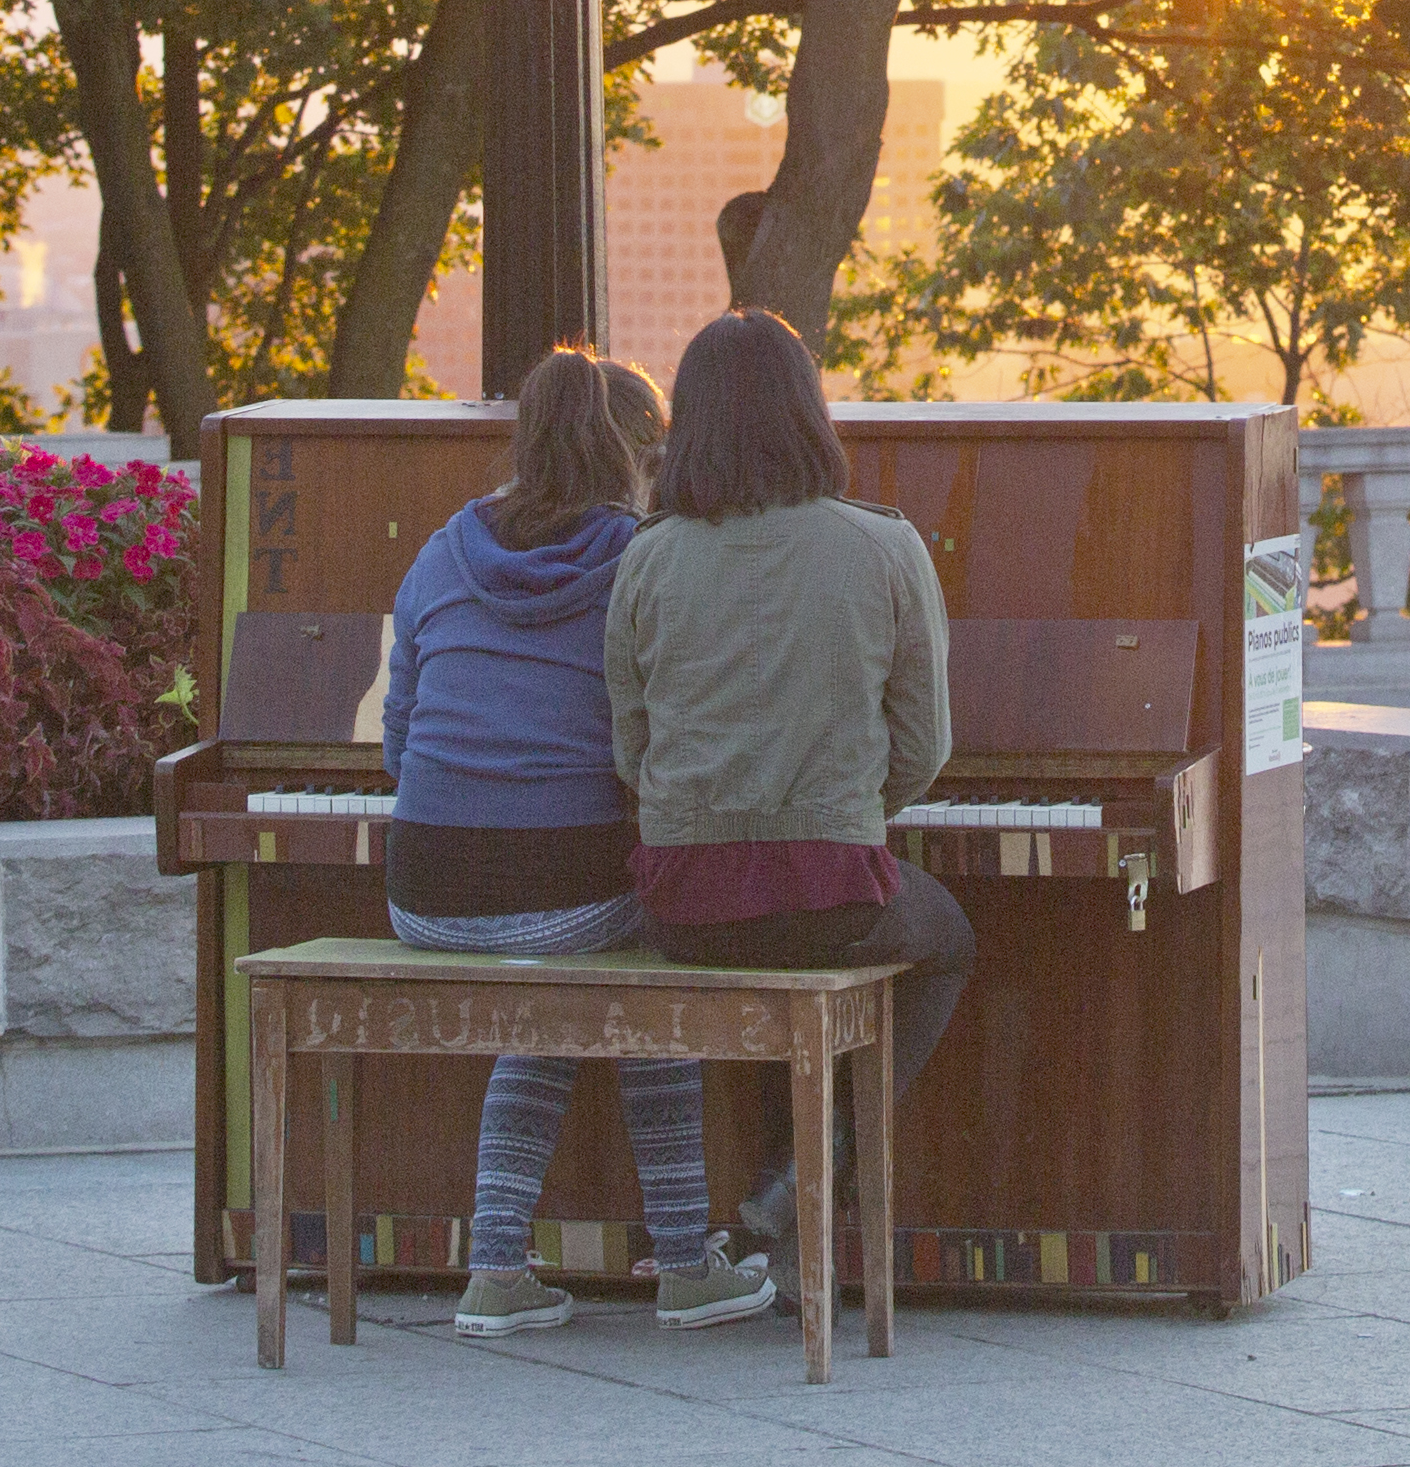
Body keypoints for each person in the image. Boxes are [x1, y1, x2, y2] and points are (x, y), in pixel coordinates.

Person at [380, 347, 778, 1339]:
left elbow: (397, 739)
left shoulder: (441, 551)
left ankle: (499, 1268)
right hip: (562, 894)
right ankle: (685, 1261)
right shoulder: (642, 558)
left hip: (419, 889)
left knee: (564, 976)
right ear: (642, 452)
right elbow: (669, 744)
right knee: (648, 959)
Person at [605, 306, 972, 1284]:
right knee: (950, 941)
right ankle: (812, 1174)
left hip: (683, 905)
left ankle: (766, 1199)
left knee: (762, 948)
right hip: (831, 894)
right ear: (809, 414)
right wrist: (839, 809)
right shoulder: (885, 548)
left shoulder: (645, 556)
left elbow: (630, 752)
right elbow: (924, 749)